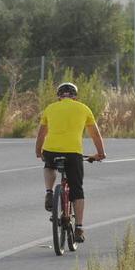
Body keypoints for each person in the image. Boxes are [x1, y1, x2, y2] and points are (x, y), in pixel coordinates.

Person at [35, 82, 106, 243]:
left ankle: (49, 192)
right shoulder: (83, 108)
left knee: (48, 165)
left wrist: (39, 152)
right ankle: (79, 227)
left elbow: (41, 134)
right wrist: (100, 153)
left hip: (51, 150)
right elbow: (95, 134)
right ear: (75, 96)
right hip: (73, 153)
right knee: (77, 190)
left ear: (59, 96)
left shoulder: (50, 108)